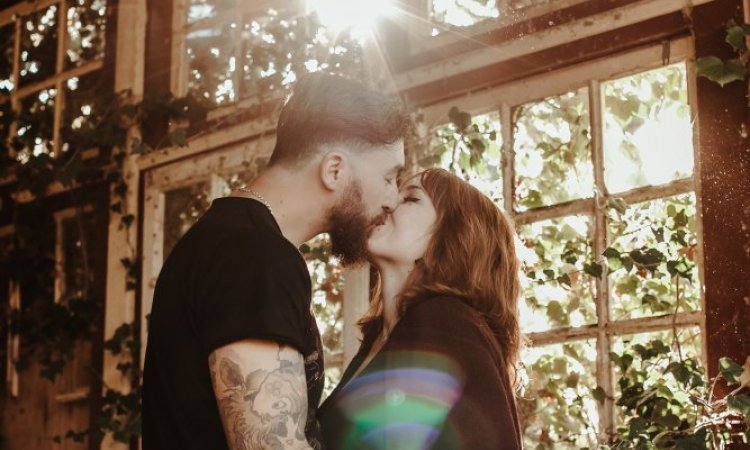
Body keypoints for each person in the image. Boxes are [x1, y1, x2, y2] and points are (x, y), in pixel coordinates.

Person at [142, 72, 409, 450]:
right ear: (334, 170)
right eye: (388, 177)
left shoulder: (227, 240)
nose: (392, 199)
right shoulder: (256, 258)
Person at [319, 168, 524, 450]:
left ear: (452, 235)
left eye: (411, 198)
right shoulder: (380, 337)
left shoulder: (445, 320)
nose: (389, 202)